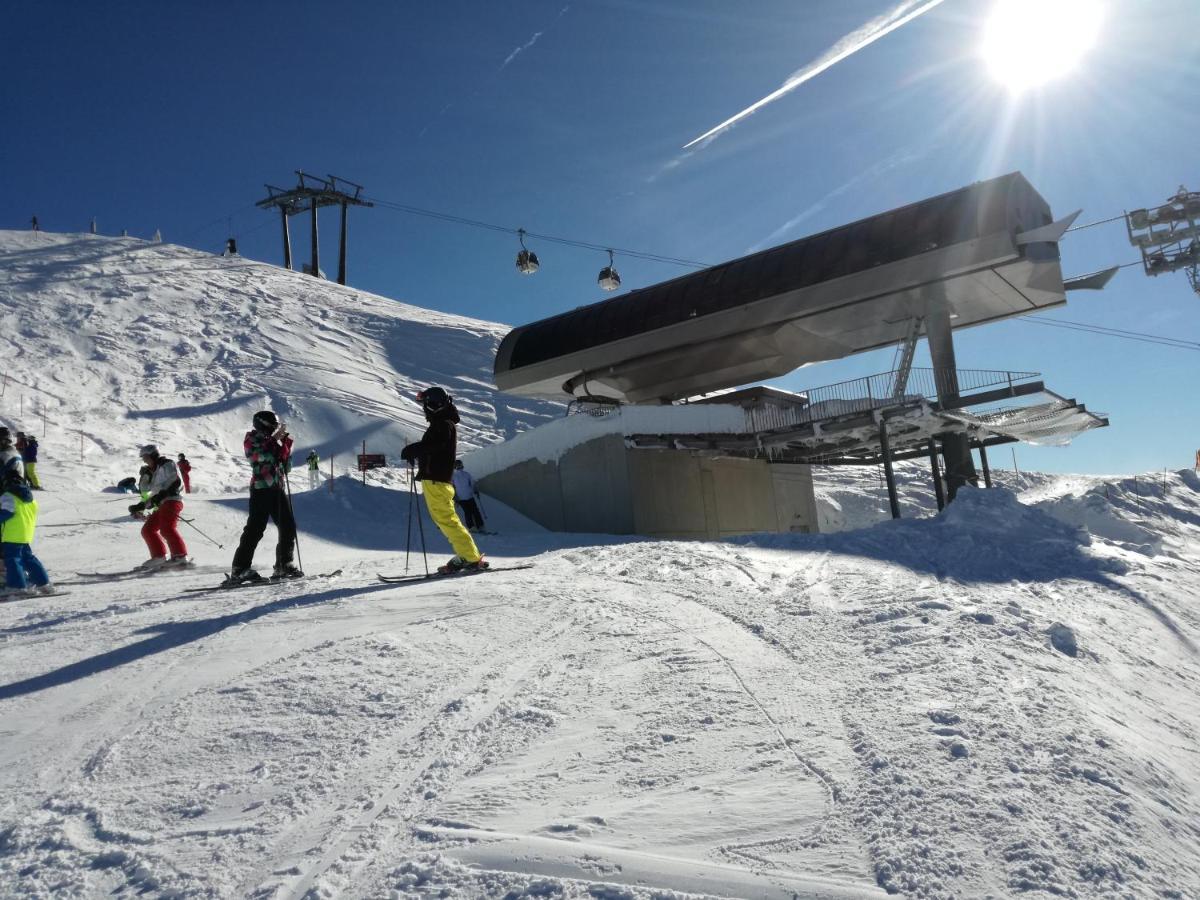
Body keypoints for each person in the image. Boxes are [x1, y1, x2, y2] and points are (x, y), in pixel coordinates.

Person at [400, 388, 487, 574]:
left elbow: (436, 445)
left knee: (447, 520)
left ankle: (470, 557)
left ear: (435, 404)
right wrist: (417, 453)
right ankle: (467, 555)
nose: (425, 408)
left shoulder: (443, 424)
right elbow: (435, 449)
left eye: (426, 404)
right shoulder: (442, 424)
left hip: (436, 480)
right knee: (446, 520)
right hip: (436, 480)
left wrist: (414, 449)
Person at [226, 410, 301, 585]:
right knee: (255, 529)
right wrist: (275, 441)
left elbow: (286, 467)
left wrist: (285, 448)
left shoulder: (274, 442)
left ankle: (284, 563)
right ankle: (240, 568)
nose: (275, 428)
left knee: (288, 526)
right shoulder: (251, 439)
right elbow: (257, 456)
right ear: (263, 424)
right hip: (261, 488)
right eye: (272, 425)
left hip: (277, 489)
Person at [128, 445, 189, 569]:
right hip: (162, 504)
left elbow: (175, 481)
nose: (144, 460)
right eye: (143, 458)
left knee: (167, 529)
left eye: (146, 457)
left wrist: (163, 494)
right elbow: (151, 494)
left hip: (172, 500)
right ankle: (159, 557)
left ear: (153, 455)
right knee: (148, 530)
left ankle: (180, 556)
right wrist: (140, 506)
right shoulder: (152, 473)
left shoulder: (166, 464)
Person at [0, 464, 53, 598]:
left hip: (11, 534)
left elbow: (7, 512)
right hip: (25, 533)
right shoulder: (30, 497)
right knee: (28, 559)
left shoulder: (8, 495)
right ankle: (44, 584)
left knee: (13, 560)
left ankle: (17, 587)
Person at [451, 459, 485, 532]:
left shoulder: (465, 474)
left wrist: (475, 490)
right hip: (463, 498)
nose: (459, 466)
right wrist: (454, 498)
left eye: (460, 465)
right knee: (470, 512)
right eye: (458, 465)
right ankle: (475, 526)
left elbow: (472, 483)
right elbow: (452, 487)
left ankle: (477, 526)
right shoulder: (455, 476)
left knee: (473, 511)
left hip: (467, 497)